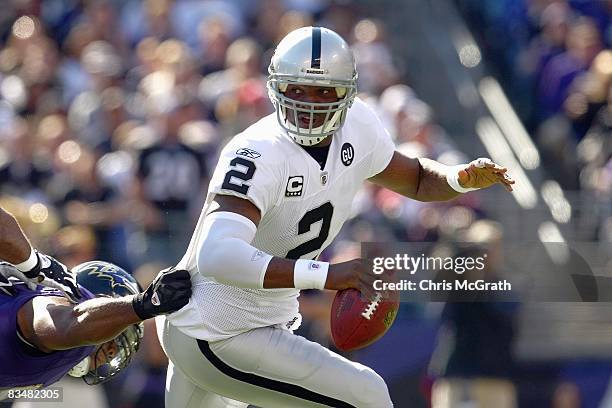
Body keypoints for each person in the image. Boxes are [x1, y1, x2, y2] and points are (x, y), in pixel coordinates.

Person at [160, 26, 515, 408]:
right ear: (276, 88)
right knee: (368, 395)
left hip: (235, 325)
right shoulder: (256, 152)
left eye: (322, 91)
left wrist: (457, 179)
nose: (308, 103)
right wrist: (327, 275)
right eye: (296, 89)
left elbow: (414, 177)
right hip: (216, 328)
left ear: (347, 93)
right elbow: (217, 256)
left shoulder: (359, 127)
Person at [0, 207, 192, 400]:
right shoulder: (55, 310)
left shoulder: (60, 358)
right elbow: (70, 321)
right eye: (118, 332)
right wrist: (141, 306)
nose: (112, 351)